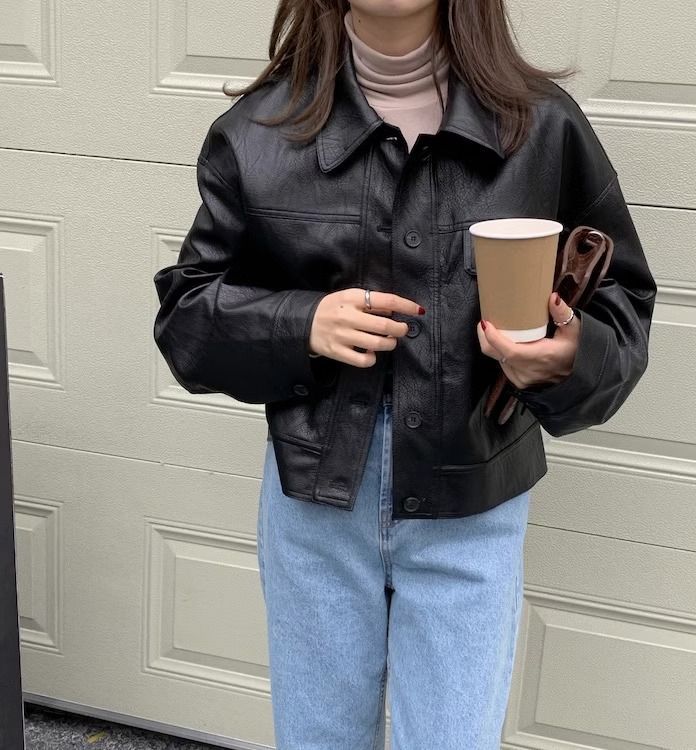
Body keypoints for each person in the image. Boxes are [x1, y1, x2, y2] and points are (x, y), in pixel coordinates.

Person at [152, 1, 657, 748]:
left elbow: (624, 303)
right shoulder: (258, 132)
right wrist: (302, 324)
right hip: (316, 506)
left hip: (472, 502)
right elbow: (186, 318)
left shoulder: (543, 128)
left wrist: (569, 356)